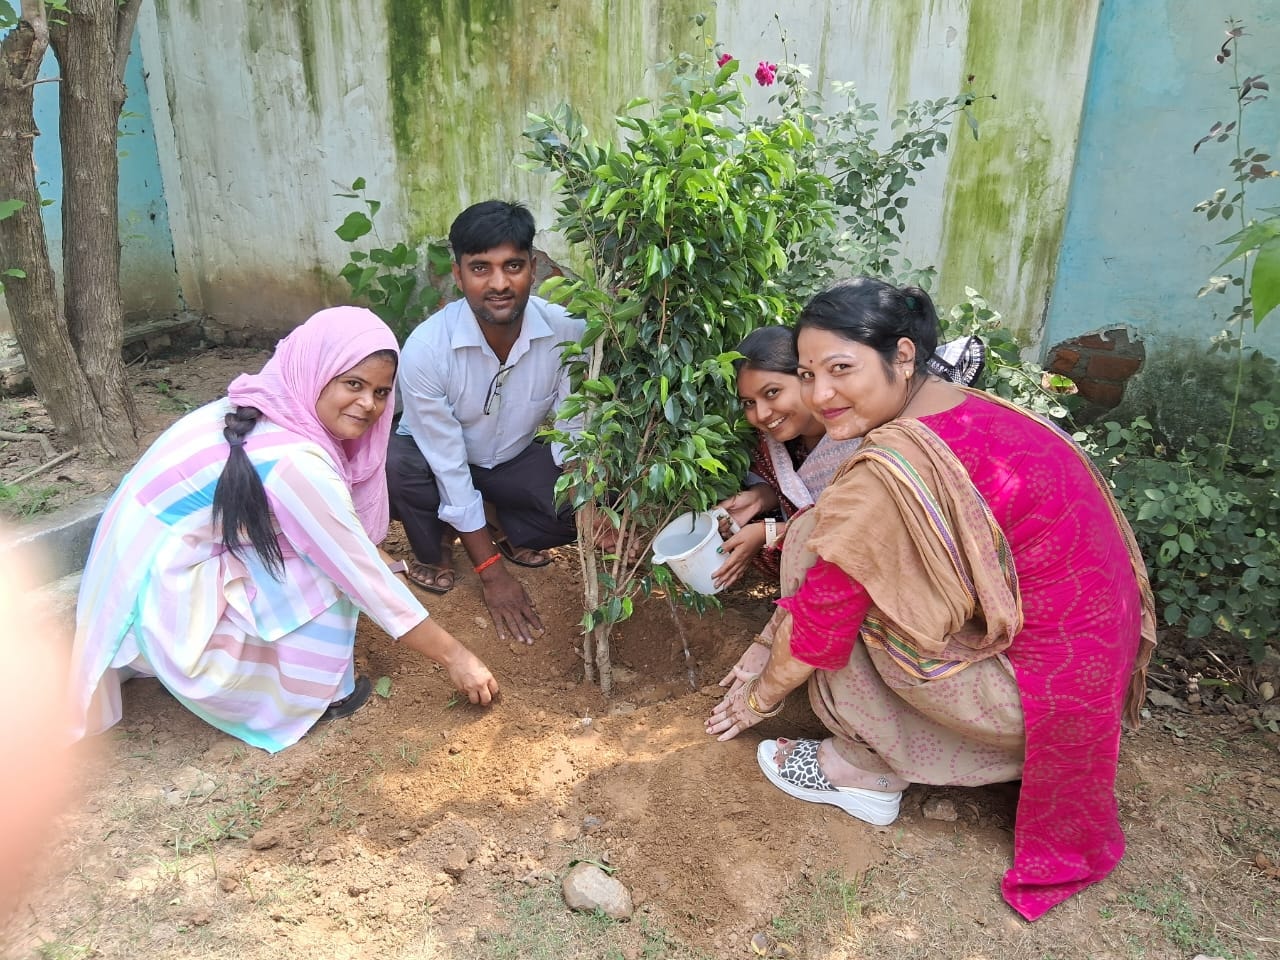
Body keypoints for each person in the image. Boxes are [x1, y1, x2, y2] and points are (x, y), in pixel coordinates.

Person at [706, 278, 1156, 920]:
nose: (821, 394)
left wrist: (758, 696)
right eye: (808, 374)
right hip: (1085, 685)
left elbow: (819, 625)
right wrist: (763, 643)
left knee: (834, 577)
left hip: (1033, 703)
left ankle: (864, 769)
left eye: (841, 369)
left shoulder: (890, 469)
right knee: (819, 533)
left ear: (903, 355)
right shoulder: (964, 407)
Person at [68, 307, 500, 754]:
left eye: (381, 392)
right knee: (326, 570)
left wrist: (383, 563)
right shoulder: (296, 465)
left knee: (325, 548)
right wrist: (456, 656)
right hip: (160, 606)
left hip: (136, 580)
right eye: (353, 384)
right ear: (315, 371)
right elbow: (361, 576)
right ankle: (314, 694)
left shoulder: (256, 408)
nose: (369, 404)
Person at [387, 200, 585, 645]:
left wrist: (589, 506)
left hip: (510, 459)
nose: (499, 284)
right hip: (434, 461)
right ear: (458, 275)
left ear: (533, 268)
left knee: (582, 504)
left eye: (513, 266)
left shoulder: (568, 331)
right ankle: (438, 546)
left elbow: (576, 432)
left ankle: (495, 521)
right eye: (480, 268)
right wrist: (492, 574)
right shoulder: (427, 349)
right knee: (397, 467)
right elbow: (448, 464)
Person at [711, 325, 862, 590]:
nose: (761, 414)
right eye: (749, 403)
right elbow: (791, 487)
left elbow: (857, 529)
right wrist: (758, 499)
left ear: (807, 378)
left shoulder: (857, 439)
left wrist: (768, 532)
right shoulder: (770, 444)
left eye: (772, 392)